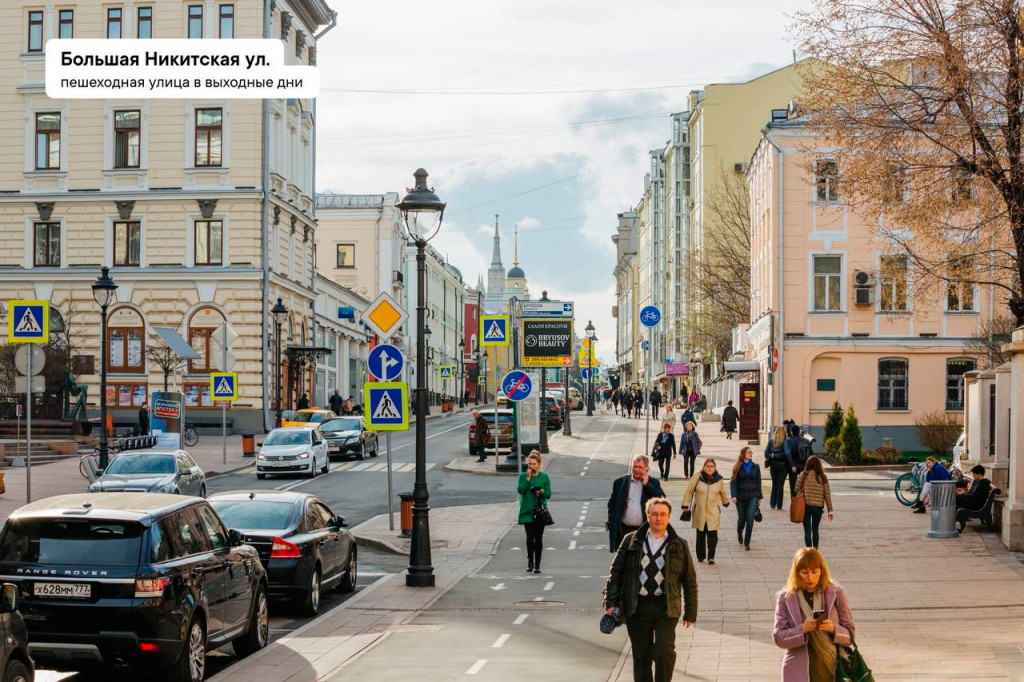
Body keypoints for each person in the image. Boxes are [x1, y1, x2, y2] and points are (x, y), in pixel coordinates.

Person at [604, 497, 697, 682]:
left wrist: (690, 613)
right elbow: (615, 572)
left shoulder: (679, 544)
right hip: (637, 606)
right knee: (641, 655)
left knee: (664, 651)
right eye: (654, 514)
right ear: (647, 516)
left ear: (669, 517)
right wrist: (610, 601)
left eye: (663, 514)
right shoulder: (631, 541)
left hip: (666, 607)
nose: (658, 518)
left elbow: (690, 581)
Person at [773, 548, 856, 682]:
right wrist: (802, 629)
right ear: (796, 573)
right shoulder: (785, 598)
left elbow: (850, 635)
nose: (810, 577)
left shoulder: (836, 593)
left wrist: (834, 628)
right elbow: (778, 638)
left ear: (821, 571)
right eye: (804, 572)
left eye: (814, 572)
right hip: (797, 671)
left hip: (834, 669)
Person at [607, 454, 666, 552]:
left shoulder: (653, 482)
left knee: (640, 559)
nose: (637, 470)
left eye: (640, 467)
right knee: (624, 560)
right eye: (635, 466)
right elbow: (612, 502)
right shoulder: (620, 482)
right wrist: (612, 517)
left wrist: (647, 485)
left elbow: (661, 499)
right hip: (624, 529)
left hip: (643, 530)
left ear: (646, 469)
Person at [681, 459, 729, 565]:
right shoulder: (697, 477)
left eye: (712, 466)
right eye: (707, 466)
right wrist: (685, 505)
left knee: (713, 535)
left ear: (715, 468)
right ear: (704, 467)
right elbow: (689, 491)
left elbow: (722, 491)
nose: (710, 468)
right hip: (700, 510)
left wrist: (725, 502)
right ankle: (701, 556)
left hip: (713, 511)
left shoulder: (719, 479)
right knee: (701, 534)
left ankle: (711, 556)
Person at [517, 451, 552, 574]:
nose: (531, 466)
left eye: (533, 464)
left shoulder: (544, 477)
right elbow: (520, 490)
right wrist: (527, 479)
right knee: (530, 538)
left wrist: (541, 491)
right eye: (529, 464)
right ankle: (530, 562)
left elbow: (548, 495)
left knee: (538, 538)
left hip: (540, 512)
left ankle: (538, 564)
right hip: (527, 511)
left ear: (539, 465)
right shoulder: (523, 476)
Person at [795, 456, 834, 549]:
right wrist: (830, 510)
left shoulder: (803, 475)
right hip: (818, 507)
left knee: (807, 530)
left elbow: (796, 488)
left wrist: (801, 493)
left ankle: (809, 551)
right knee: (815, 529)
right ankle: (815, 550)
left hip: (806, 505)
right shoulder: (823, 477)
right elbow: (827, 495)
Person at [731, 446, 762, 551]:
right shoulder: (738, 467)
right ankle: (739, 533)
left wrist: (760, 497)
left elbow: (759, 482)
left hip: (753, 495)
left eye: (751, 452)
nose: (751, 453)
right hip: (740, 497)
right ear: (743, 454)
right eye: (749, 452)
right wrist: (734, 495)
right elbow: (733, 482)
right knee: (742, 519)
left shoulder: (756, 467)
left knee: (750, 519)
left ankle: (747, 542)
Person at [765, 426, 795, 511]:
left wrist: (772, 456)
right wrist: (792, 465)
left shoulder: (771, 441)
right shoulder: (785, 442)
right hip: (783, 466)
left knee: (774, 484)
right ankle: (779, 505)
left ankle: (772, 503)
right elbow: (787, 454)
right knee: (780, 485)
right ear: (784, 433)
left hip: (773, 465)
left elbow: (766, 453)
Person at [785, 423, 809, 499]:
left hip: (794, 467)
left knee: (793, 486)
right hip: (804, 466)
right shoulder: (806, 441)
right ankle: (803, 504)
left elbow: (788, 455)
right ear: (799, 432)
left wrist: (792, 466)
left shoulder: (788, 441)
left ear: (791, 432)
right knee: (803, 485)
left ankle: (795, 504)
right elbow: (810, 454)